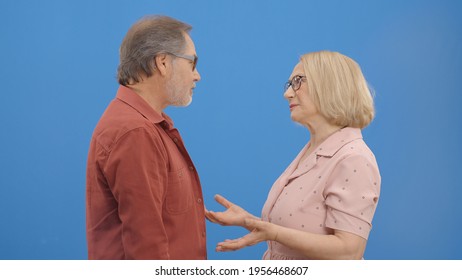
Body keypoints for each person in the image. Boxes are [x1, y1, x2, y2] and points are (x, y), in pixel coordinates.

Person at [206, 51, 381, 260]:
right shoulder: (314, 150)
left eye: (298, 81)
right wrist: (250, 221)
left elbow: (349, 251)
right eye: (289, 84)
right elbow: (303, 227)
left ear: (331, 85)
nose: (287, 94)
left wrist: (273, 232)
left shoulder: (353, 159)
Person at [86, 15, 206, 259]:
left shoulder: (143, 126)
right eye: (192, 63)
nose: (197, 76)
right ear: (162, 62)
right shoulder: (135, 133)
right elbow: (146, 249)